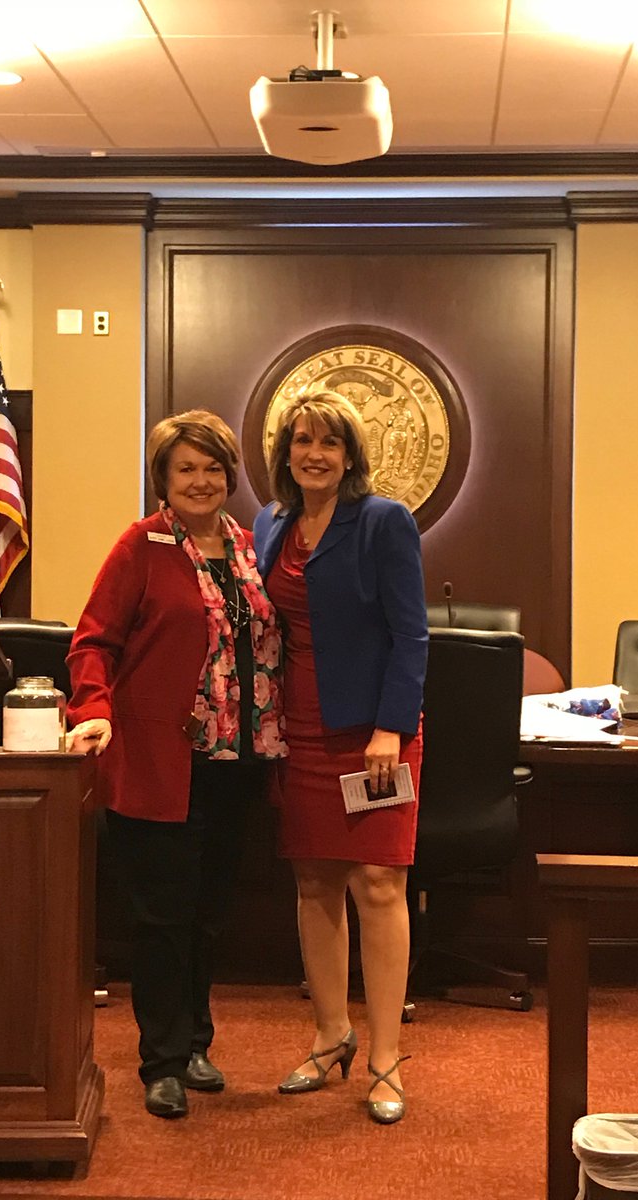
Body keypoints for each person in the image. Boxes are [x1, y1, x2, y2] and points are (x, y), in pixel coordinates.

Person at [66, 409, 286, 1120]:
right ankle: (160, 1062)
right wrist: (93, 708)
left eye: (213, 467)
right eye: (185, 468)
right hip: (159, 761)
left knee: (208, 914)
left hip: (235, 761)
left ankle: (194, 1043)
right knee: (163, 917)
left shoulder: (248, 547)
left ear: (230, 476)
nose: (201, 480)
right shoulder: (140, 546)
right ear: (163, 477)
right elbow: (92, 642)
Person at [253, 391, 427, 1125]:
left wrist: (392, 728)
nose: (314, 454)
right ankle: (331, 1035)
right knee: (314, 881)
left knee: (379, 884)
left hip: (372, 732)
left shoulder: (384, 520)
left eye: (329, 442)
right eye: (302, 441)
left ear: (351, 454)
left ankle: (386, 1056)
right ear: (285, 453)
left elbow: (411, 633)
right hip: (297, 728)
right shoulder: (270, 522)